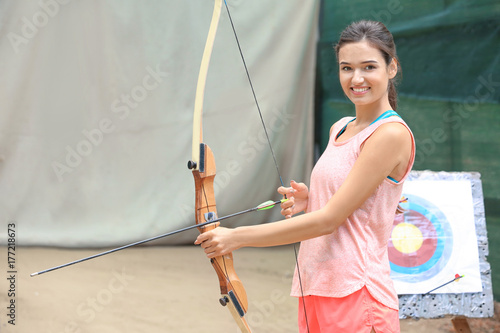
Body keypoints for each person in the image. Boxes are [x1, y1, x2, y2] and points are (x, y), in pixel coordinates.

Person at [195, 20, 415, 333]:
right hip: (316, 286)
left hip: (357, 293)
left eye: (369, 67)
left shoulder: (390, 134)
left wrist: (236, 237)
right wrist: (312, 199)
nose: (357, 78)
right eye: (346, 68)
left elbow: (330, 220)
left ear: (391, 68)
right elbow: (353, 202)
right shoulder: (340, 127)